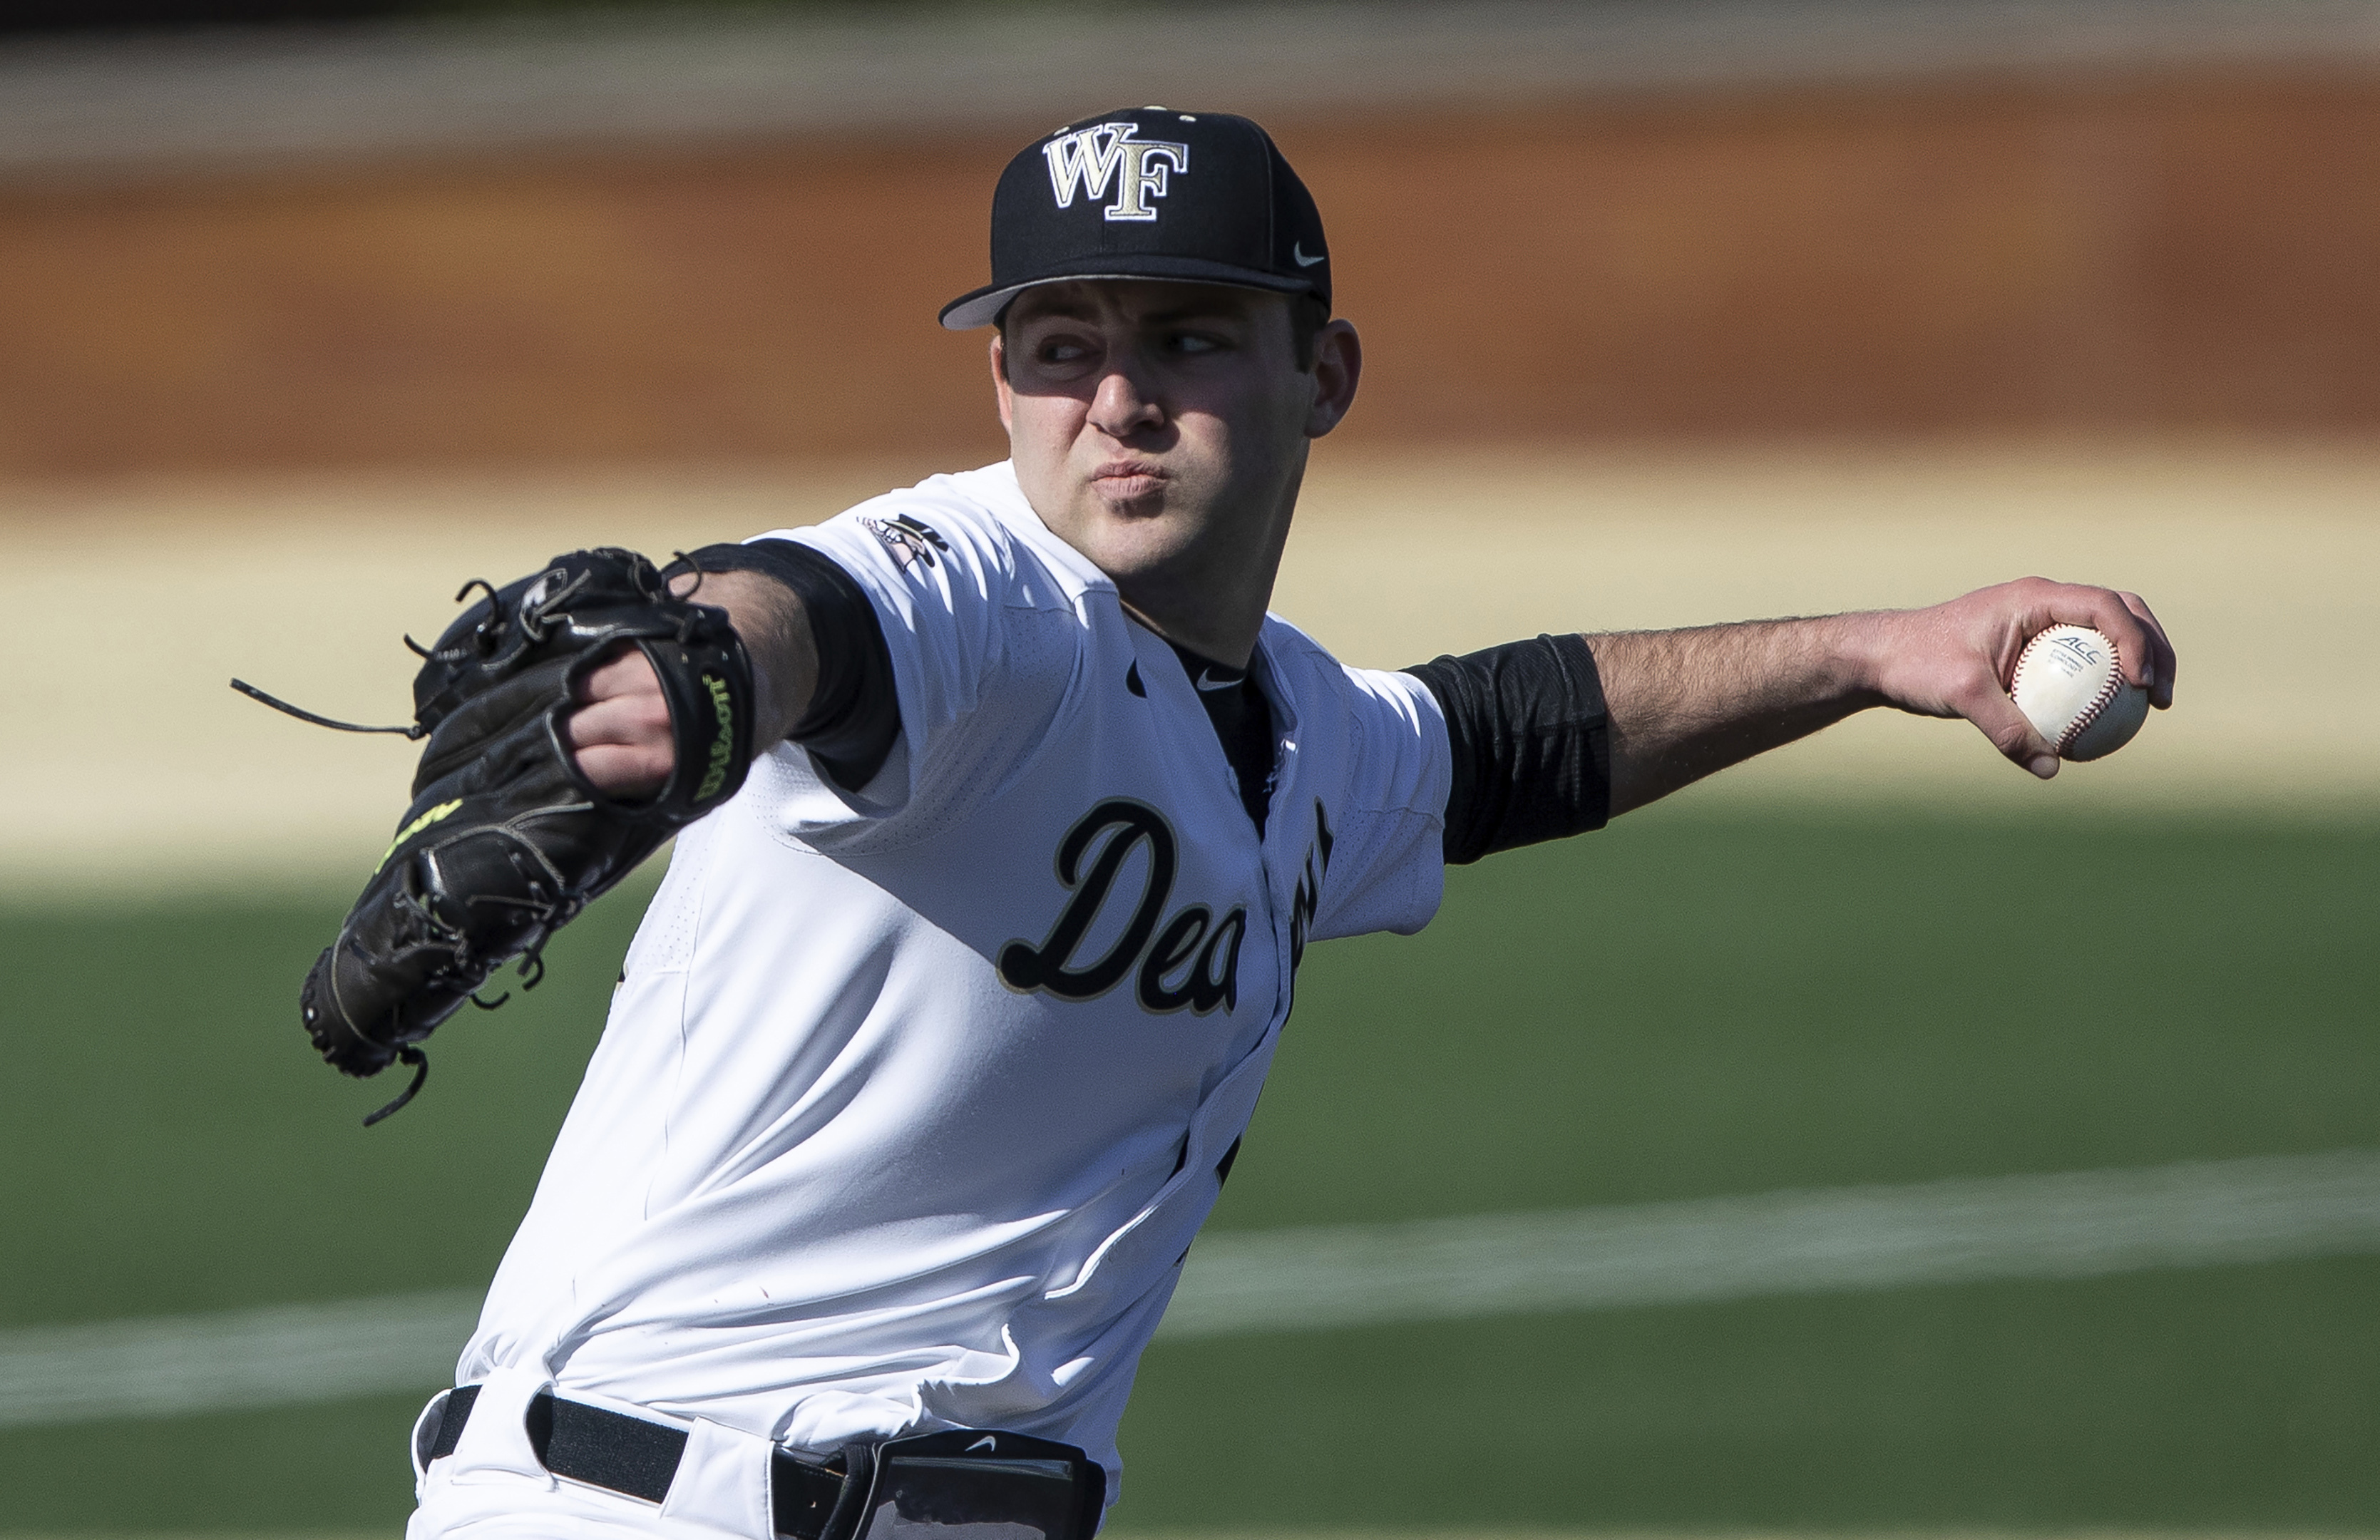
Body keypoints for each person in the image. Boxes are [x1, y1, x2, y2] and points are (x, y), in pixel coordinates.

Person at [405, 108, 2176, 1539]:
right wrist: (706, 666)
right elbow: (814, 610)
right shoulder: (980, 599)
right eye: (1061, 345)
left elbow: (1505, 740)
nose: (1117, 397)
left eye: (1187, 337)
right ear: (1000, 384)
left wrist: (1882, 650)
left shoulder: (1296, 730)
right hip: (629, 1508)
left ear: (1320, 374)